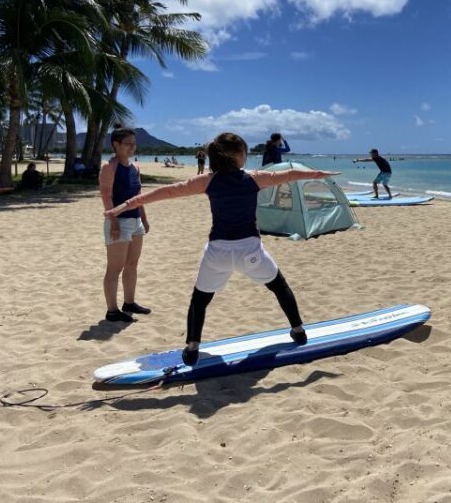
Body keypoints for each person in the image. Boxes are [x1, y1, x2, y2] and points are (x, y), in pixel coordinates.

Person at [104, 132, 340, 365]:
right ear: (238, 155)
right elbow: (289, 175)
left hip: (218, 254)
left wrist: (124, 206)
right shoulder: (254, 177)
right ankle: (298, 331)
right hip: (251, 252)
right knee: (279, 286)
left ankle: (192, 346)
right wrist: (318, 174)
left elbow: (167, 192)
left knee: (199, 301)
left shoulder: (208, 180)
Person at [99, 127, 151, 322]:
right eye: (128, 143)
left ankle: (129, 302)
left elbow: (139, 196)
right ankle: (112, 311)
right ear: (116, 145)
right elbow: (106, 195)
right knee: (115, 268)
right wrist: (113, 221)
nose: (132, 147)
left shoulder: (135, 167)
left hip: (135, 220)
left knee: (132, 264)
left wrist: (144, 218)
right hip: (118, 221)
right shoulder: (109, 167)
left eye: (134, 143)